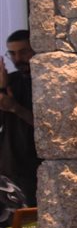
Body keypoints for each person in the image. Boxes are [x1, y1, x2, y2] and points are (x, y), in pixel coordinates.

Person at [0, 30, 39, 204]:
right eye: (12, 53)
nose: (18, 59)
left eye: (23, 52)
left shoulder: (46, 82)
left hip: (36, 166)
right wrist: (1, 88)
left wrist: (15, 108)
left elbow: (49, 128)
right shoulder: (10, 81)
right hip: (11, 168)